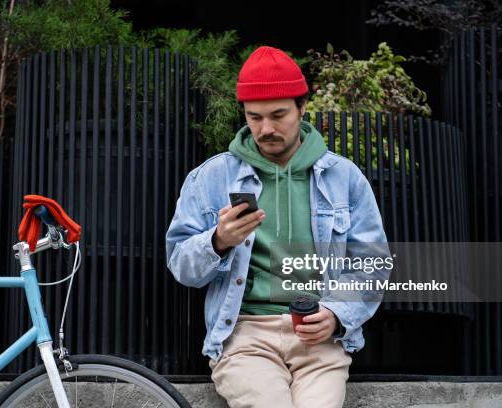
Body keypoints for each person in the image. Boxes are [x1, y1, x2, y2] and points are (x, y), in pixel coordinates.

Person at [166, 45, 389, 408]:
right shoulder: (211, 177)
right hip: (244, 337)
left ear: (302, 107)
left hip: (319, 340)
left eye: (278, 115)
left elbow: (372, 264)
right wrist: (218, 241)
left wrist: (336, 314)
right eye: (254, 117)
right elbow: (181, 265)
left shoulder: (343, 177)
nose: (266, 129)